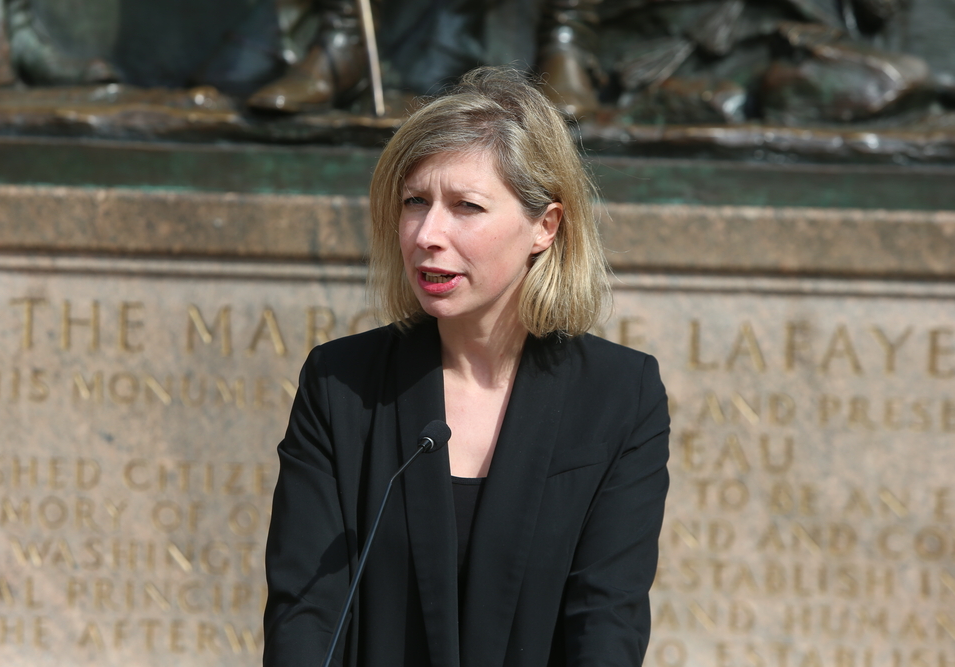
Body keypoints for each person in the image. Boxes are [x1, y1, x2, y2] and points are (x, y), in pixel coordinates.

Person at [263, 66, 670, 667]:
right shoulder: (339, 385)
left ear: (545, 226)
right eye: (414, 202)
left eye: (466, 207)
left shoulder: (619, 396)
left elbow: (606, 623)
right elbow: (304, 614)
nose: (428, 233)